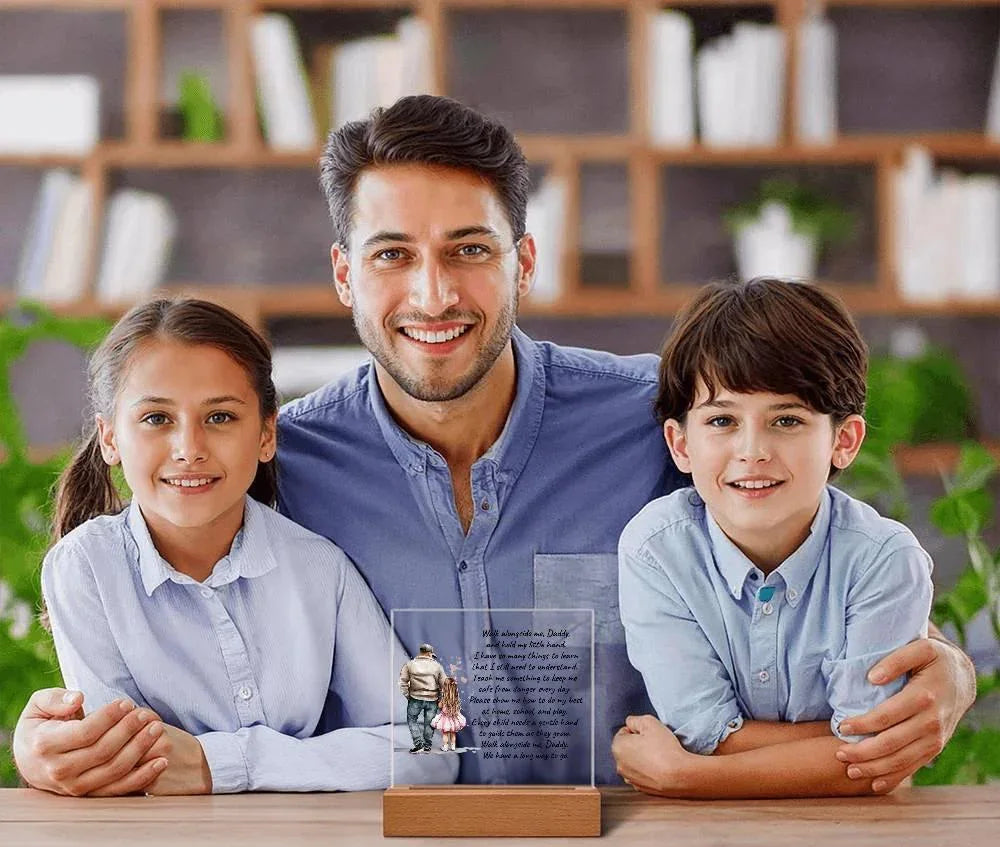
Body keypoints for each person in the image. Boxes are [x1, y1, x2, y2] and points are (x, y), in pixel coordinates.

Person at [13, 95, 976, 795]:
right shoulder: (276, 462)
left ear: (523, 262)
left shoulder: (661, 416)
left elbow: (824, 562)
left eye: (469, 250)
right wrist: (51, 741)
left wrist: (946, 666)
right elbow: (158, 607)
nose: (433, 295)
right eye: (393, 255)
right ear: (345, 275)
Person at [36, 297, 454, 794]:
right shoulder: (84, 568)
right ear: (110, 439)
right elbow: (122, 766)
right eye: (156, 419)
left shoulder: (320, 568)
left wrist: (221, 764)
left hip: (302, 837)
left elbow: (431, 746)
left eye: (220, 417)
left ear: (266, 434)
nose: (189, 449)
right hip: (153, 841)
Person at [613, 278, 938, 797]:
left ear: (844, 440)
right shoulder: (656, 549)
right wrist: (844, 747)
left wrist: (687, 775)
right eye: (722, 419)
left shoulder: (884, 560)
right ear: (681, 444)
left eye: (786, 420)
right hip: (699, 835)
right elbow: (700, 733)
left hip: (855, 836)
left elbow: (877, 755)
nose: (752, 451)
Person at [399, 643, 448, 752]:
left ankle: (418, 743)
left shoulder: (409, 665)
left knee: (412, 720)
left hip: (415, 698)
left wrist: (408, 695)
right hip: (432, 699)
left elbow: (403, 682)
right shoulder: (437, 666)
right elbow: (444, 684)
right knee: (429, 723)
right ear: (430, 653)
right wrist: (440, 698)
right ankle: (427, 745)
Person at [433, 677, 467, 752]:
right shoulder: (456, 699)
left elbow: (440, 706)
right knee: (453, 733)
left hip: (445, 719)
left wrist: (438, 702)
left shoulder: (444, 699)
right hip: (454, 719)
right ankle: (453, 746)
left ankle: (445, 746)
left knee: (445, 733)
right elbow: (457, 709)